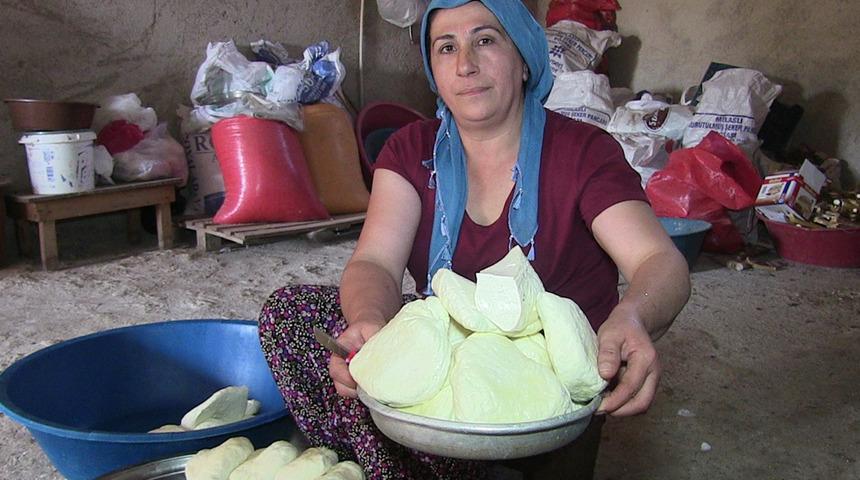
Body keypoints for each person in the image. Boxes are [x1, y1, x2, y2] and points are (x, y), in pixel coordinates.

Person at [258, 0, 691, 478]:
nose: (465, 64)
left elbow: (658, 261)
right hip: (448, 360)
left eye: (485, 40)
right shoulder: (411, 150)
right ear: (434, 71)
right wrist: (370, 322)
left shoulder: (582, 153)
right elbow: (376, 263)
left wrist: (632, 315)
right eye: (446, 47)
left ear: (523, 59)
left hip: (541, 392)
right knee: (291, 316)